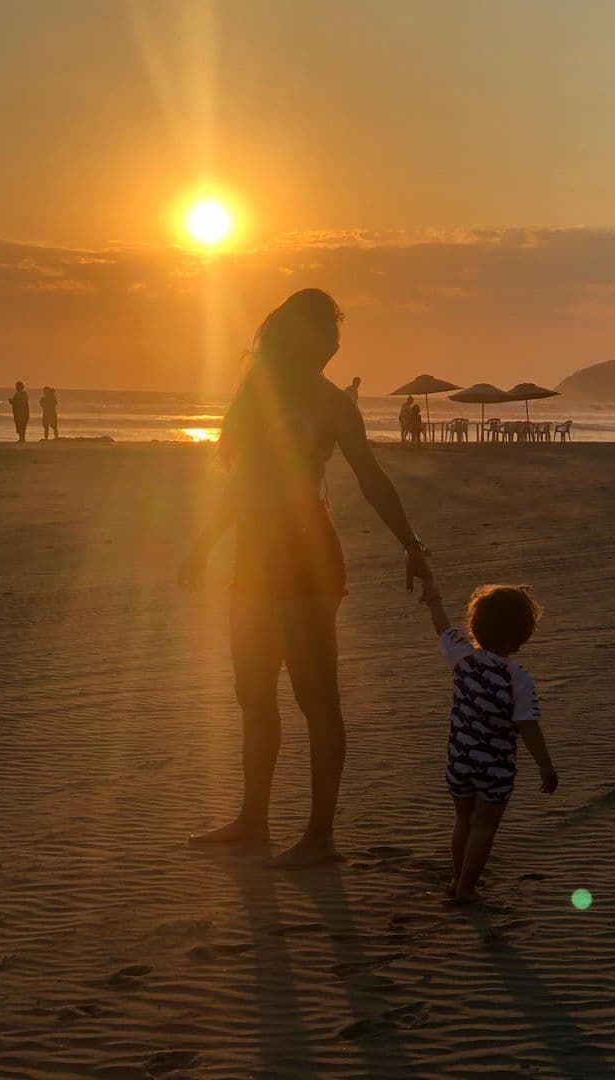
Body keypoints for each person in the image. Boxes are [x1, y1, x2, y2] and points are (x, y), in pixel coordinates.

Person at [178, 289, 432, 866]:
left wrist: (411, 544)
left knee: (315, 698)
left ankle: (320, 836)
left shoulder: (333, 405)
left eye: (336, 339)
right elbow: (241, 487)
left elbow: (370, 478)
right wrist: (202, 546)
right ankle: (253, 820)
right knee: (253, 694)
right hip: (253, 558)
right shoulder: (256, 399)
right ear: (296, 337)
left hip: (307, 557)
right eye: (326, 336)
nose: (335, 348)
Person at [419, 575, 559, 904]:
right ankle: (467, 888)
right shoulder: (518, 679)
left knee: (463, 821)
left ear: (475, 626)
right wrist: (546, 766)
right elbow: (528, 726)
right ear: (522, 636)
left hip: (460, 758)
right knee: (483, 826)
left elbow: (442, 628)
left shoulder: (463, 659)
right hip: (494, 767)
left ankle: (457, 881)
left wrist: (434, 600)